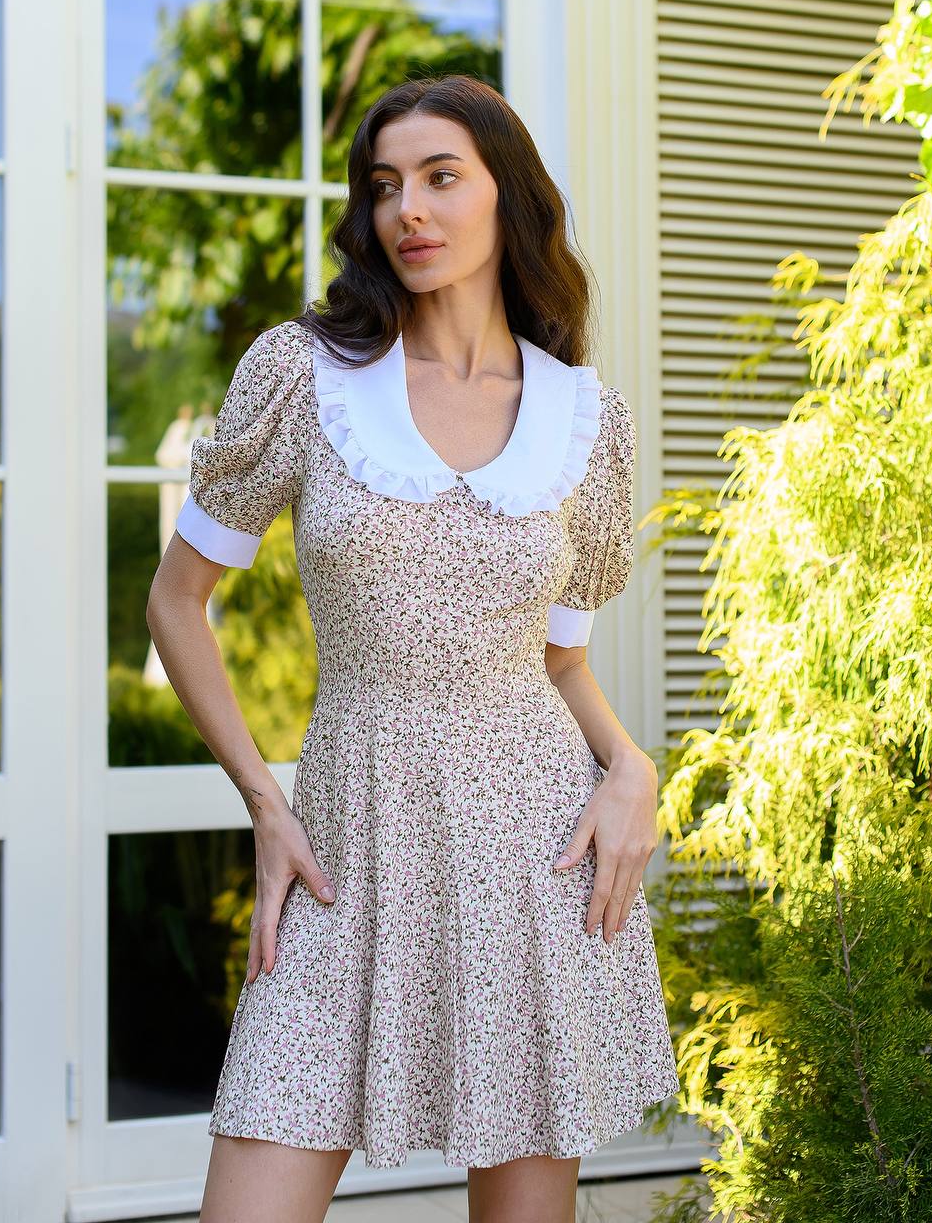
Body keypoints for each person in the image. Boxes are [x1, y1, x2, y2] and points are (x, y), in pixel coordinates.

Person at [146, 74, 680, 1223]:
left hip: (534, 853)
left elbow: (559, 661)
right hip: (347, 836)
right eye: (387, 186)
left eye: (442, 178)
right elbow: (176, 603)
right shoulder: (305, 377)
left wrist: (630, 767)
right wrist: (263, 798)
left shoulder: (585, 420)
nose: (410, 211)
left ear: (508, 199)